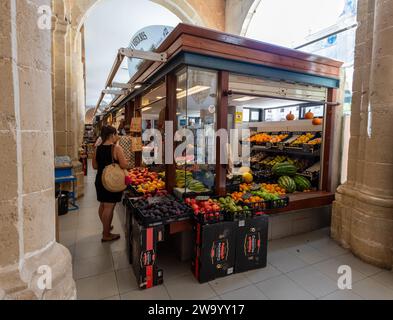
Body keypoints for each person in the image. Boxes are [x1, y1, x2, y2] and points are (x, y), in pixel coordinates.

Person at [92, 125, 128, 242]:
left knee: (103, 205)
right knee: (109, 207)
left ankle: (106, 227)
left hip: (100, 179)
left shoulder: (97, 148)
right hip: (111, 181)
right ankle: (106, 234)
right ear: (111, 135)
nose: (117, 136)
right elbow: (123, 165)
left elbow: (95, 166)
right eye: (116, 134)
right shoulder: (116, 149)